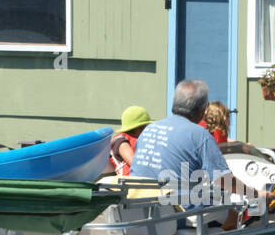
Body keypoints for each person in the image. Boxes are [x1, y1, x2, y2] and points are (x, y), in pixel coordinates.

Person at [131, 80, 262, 224]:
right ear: (202, 110)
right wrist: (256, 193)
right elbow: (224, 179)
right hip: (178, 213)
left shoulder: (149, 129)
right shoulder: (199, 134)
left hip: (141, 210)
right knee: (231, 214)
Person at [110, 105, 152, 177]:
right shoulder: (121, 142)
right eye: (146, 125)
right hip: (131, 184)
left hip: (146, 181)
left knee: (174, 184)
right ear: (139, 127)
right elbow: (136, 165)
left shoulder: (142, 138)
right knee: (173, 185)